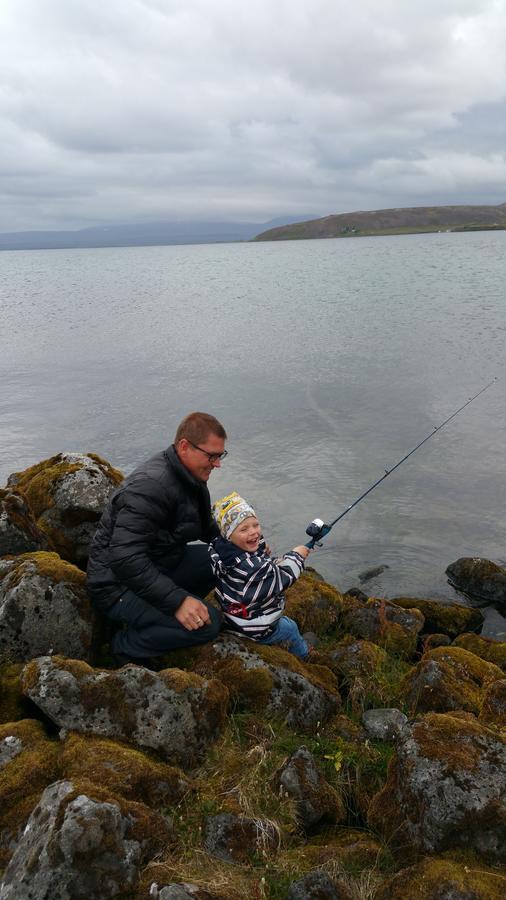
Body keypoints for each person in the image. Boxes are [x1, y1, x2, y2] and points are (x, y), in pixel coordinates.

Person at [86, 412, 227, 665]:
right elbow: (125, 557)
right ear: (184, 446)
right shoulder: (151, 487)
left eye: (220, 456)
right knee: (209, 624)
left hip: (160, 563)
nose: (217, 464)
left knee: (224, 560)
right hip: (117, 585)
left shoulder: (192, 478)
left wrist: (244, 547)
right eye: (212, 456)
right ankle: (124, 646)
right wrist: (177, 601)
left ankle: (162, 618)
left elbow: (206, 529)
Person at [208, 491, 312, 659]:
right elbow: (282, 577)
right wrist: (296, 556)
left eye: (255, 525)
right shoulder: (251, 568)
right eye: (244, 529)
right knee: (290, 627)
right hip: (254, 625)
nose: (253, 532)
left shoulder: (221, 550)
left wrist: (261, 550)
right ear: (229, 535)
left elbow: (252, 562)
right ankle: (304, 655)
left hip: (233, 616)